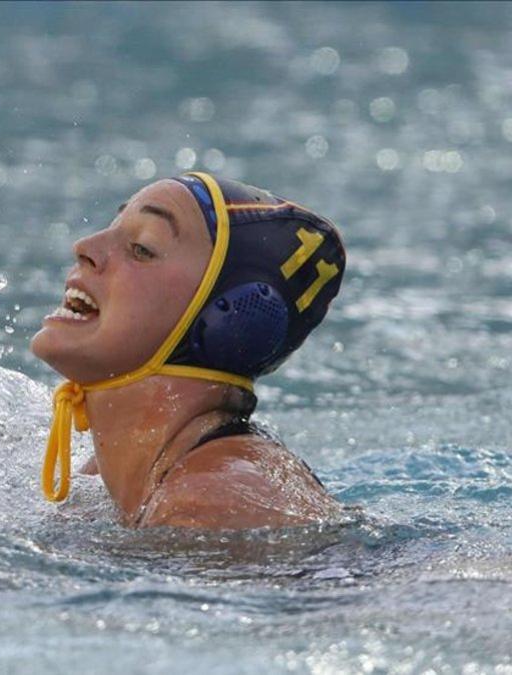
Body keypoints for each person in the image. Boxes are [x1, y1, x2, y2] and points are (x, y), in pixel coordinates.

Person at [30, 172, 345, 529]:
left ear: (227, 321)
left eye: (142, 248)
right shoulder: (105, 480)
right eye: (112, 227)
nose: (85, 246)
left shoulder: (213, 500)